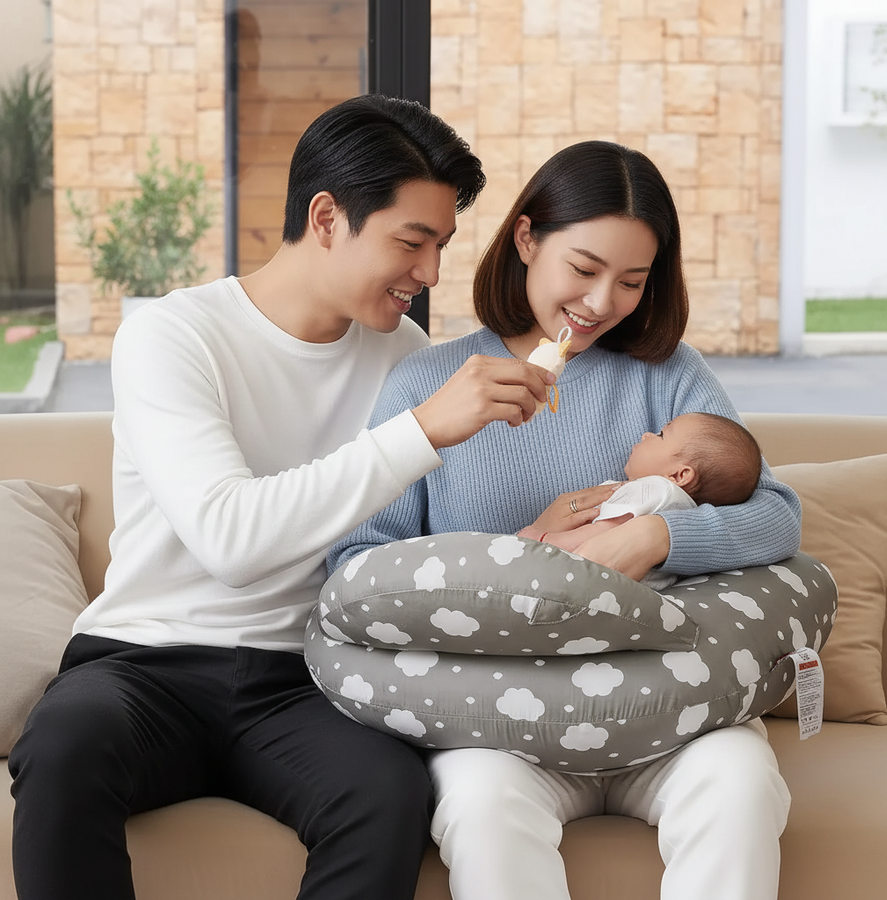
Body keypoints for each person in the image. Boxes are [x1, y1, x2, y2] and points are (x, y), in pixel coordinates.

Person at [7, 95, 559, 900]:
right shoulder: (174, 335)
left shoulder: (402, 352)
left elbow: (410, 540)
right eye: (412, 241)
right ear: (328, 216)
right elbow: (231, 542)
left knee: (387, 793)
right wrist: (423, 430)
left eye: (441, 245)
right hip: (141, 665)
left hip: (310, 677)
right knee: (64, 747)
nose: (431, 274)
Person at [329, 140, 800, 900]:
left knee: (742, 782)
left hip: (671, 712)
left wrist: (654, 536)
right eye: (583, 269)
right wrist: (522, 553)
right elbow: (360, 568)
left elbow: (777, 517)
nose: (602, 302)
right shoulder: (428, 383)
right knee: (481, 808)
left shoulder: (670, 376)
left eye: (632, 282)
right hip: (500, 722)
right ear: (525, 239)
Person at [519, 412, 762, 590]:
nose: (647, 434)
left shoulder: (657, 490)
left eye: (661, 435)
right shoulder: (676, 503)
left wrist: (544, 540)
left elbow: (606, 532)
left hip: (584, 583)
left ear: (679, 475)